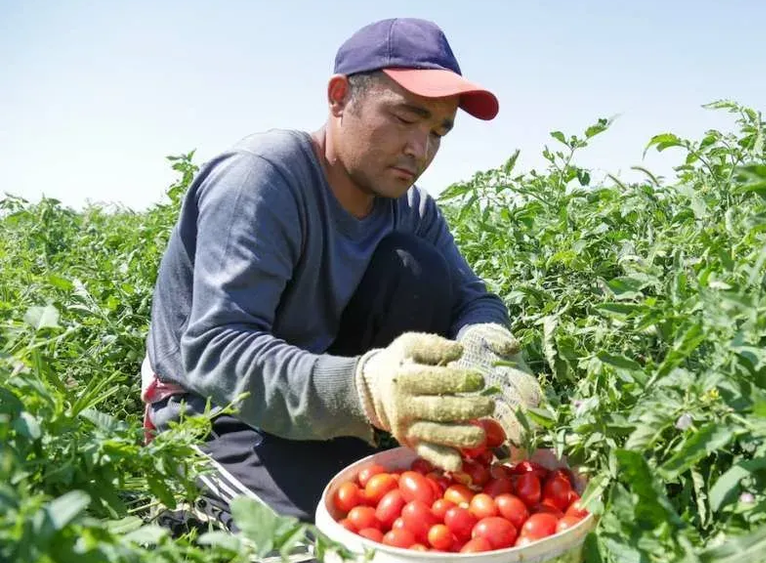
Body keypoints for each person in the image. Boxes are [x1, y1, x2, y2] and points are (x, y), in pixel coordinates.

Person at [139, 16, 543, 535]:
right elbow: (215, 350)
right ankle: (188, 488)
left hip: (325, 395)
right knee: (315, 541)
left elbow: (474, 299)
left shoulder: (410, 208)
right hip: (213, 410)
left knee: (418, 265)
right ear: (338, 98)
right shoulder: (262, 178)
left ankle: (351, 438)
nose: (420, 150)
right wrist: (366, 390)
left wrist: (487, 344)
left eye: (438, 131)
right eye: (405, 118)